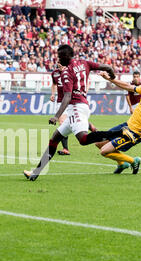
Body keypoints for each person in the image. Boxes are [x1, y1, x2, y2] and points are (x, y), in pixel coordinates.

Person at [24, 45, 128, 181]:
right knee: (55, 138)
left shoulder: (67, 72)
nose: (59, 59)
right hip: (82, 104)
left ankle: (119, 132)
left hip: (75, 107)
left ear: (67, 57)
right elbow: (108, 68)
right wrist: (112, 78)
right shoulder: (84, 63)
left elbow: (67, 96)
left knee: (83, 140)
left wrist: (56, 116)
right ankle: (36, 172)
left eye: (60, 56)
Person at [96, 72, 141, 174]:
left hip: (135, 134)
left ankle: (132, 161)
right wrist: (109, 79)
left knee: (104, 151)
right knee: (98, 143)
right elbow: (127, 86)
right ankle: (122, 163)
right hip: (126, 125)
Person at [50, 63, 97, 156]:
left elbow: (85, 80)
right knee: (63, 123)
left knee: (74, 123)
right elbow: (54, 84)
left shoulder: (71, 71)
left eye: (61, 62)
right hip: (61, 101)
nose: (59, 64)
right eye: (58, 62)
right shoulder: (55, 73)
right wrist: (52, 94)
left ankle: (95, 130)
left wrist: (85, 91)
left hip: (73, 102)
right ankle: (65, 149)